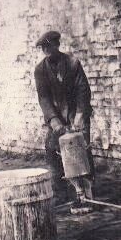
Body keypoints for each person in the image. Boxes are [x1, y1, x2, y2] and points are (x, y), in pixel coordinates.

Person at [33, 30, 94, 206]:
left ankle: (87, 193)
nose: (46, 50)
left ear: (57, 45)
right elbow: (44, 98)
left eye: (48, 46)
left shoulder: (73, 63)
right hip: (57, 117)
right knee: (52, 150)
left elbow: (83, 90)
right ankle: (61, 193)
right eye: (43, 48)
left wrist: (80, 115)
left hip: (76, 114)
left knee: (81, 151)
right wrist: (53, 120)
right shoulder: (40, 70)